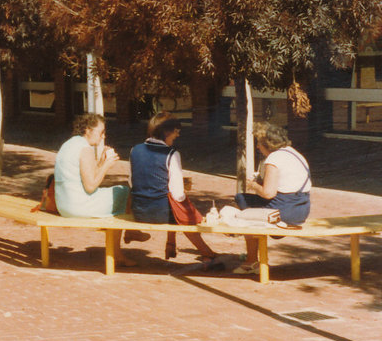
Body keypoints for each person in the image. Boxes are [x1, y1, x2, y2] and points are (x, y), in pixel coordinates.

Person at [53, 113, 147, 266]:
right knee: (125, 192)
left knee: (118, 195)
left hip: (64, 204)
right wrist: (106, 165)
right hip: (79, 206)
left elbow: (85, 177)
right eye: (101, 132)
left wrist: (101, 162)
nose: (103, 136)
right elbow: (90, 187)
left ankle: (124, 241)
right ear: (88, 130)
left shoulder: (69, 144)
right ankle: (126, 238)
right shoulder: (85, 149)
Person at [129, 112, 219, 267]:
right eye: (176, 131)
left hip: (139, 210)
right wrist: (192, 211)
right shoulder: (172, 154)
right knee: (183, 211)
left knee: (172, 203)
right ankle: (206, 252)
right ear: (166, 132)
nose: (178, 135)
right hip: (160, 213)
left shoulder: (134, 150)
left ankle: (171, 244)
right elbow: (177, 194)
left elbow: (132, 182)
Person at [233, 122, 311, 274]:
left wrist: (254, 185)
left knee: (242, 201)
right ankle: (254, 256)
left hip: (285, 211)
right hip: (301, 209)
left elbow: (268, 193)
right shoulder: (294, 153)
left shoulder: (274, 158)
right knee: (250, 204)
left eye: (258, 143)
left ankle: (251, 261)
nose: (257, 147)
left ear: (266, 143)